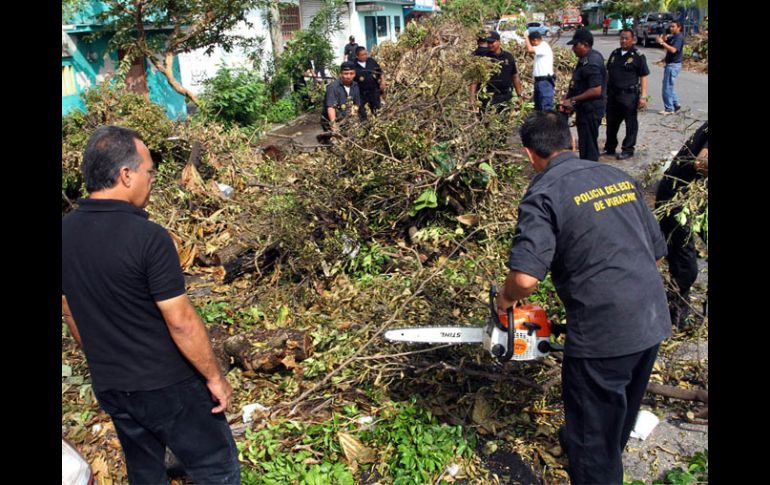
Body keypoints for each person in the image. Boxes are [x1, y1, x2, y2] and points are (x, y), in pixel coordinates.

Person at [496, 111, 671, 485]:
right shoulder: (618, 176)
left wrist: (504, 301)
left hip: (604, 334)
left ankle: (596, 468)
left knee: (593, 443)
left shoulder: (542, 193)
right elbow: (656, 253)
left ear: (530, 154)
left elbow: (525, 279)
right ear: (572, 142)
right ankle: (595, 454)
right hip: (651, 318)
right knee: (615, 418)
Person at [61, 126, 241, 484]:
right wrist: (215, 378)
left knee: (146, 471)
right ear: (126, 175)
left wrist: (104, 362)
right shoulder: (149, 238)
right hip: (167, 384)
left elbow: (70, 311)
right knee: (216, 466)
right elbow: (181, 322)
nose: (152, 181)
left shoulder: (65, 234)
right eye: (149, 172)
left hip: (112, 384)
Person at [655, 121, 708, 328]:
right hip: (676, 199)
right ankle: (675, 316)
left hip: (699, 198)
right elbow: (701, 163)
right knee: (686, 267)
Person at [602, 28, 650, 160]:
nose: (623, 41)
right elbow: (608, 73)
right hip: (613, 95)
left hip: (629, 95)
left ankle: (628, 149)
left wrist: (643, 96)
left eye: (626, 38)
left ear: (632, 39)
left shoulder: (637, 56)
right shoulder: (615, 53)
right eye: (621, 38)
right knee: (611, 122)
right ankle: (610, 147)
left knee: (630, 124)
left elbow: (644, 75)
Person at [561, 28, 607, 161]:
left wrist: (573, 100)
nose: (573, 49)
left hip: (591, 110)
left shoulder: (591, 62)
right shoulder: (586, 58)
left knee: (589, 145)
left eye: (576, 45)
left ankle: (591, 173)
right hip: (585, 109)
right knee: (585, 143)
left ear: (585, 45)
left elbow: (596, 90)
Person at [469, 31, 523, 113]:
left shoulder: (508, 56)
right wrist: (472, 99)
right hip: (487, 98)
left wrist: (519, 95)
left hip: (505, 97)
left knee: (504, 121)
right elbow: (475, 79)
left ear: (499, 41)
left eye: (492, 42)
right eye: (488, 42)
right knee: (486, 122)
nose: (490, 45)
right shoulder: (482, 57)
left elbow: (515, 76)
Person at [322, 61, 362, 133]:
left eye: (351, 73)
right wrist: (334, 126)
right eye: (346, 74)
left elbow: (356, 104)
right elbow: (331, 107)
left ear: (354, 74)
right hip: (331, 121)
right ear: (340, 74)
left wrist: (354, 121)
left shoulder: (355, 86)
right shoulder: (333, 87)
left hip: (346, 120)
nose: (349, 76)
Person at [657, 20, 685, 115]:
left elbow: (673, 50)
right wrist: (663, 33)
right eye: (670, 26)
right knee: (669, 85)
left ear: (679, 27)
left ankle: (669, 109)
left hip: (673, 65)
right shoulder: (673, 37)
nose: (671, 28)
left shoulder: (679, 37)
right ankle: (675, 103)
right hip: (670, 64)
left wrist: (662, 43)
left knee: (667, 87)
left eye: (673, 26)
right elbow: (665, 41)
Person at [523, 30, 555, 111]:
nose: (531, 45)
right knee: (538, 107)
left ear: (535, 40)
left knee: (546, 107)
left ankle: (547, 123)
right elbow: (532, 54)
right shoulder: (540, 49)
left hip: (545, 82)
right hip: (539, 81)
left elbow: (530, 50)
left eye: (531, 42)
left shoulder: (543, 46)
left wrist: (526, 37)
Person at [354, 46, 385, 118]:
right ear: (357, 56)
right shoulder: (354, 66)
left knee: (377, 111)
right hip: (361, 94)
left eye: (366, 54)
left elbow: (380, 72)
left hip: (374, 91)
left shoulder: (371, 61)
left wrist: (382, 82)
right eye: (363, 55)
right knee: (363, 113)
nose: (365, 56)